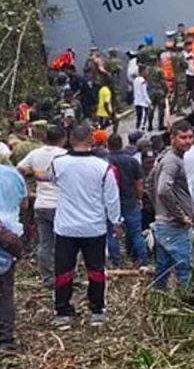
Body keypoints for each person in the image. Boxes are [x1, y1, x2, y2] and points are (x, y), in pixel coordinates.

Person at [50, 125, 122, 327]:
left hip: (66, 227)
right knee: (96, 270)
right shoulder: (103, 167)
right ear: (92, 141)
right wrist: (116, 221)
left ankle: (62, 312)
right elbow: (112, 198)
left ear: (70, 140)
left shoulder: (58, 163)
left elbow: (52, 180)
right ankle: (97, 311)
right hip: (94, 227)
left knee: (64, 270)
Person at [16, 125, 66, 286]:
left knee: (45, 243)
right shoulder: (64, 155)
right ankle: (63, 276)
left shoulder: (35, 154)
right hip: (61, 205)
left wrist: (27, 190)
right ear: (63, 139)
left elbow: (19, 170)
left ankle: (47, 277)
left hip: (41, 204)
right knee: (64, 243)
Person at [151, 120, 194, 298]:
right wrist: (180, 215)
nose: (188, 141)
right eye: (183, 137)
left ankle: (157, 300)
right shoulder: (172, 161)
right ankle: (188, 305)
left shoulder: (166, 157)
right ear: (173, 138)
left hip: (163, 223)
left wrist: (160, 211)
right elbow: (162, 189)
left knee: (163, 265)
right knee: (185, 267)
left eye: (190, 137)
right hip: (174, 226)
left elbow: (149, 184)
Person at [105, 134, 149, 268]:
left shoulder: (104, 162)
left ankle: (116, 261)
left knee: (112, 233)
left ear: (107, 145)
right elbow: (139, 183)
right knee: (136, 232)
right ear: (122, 144)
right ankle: (143, 259)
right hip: (130, 201)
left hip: (111, 203)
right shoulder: (131, 161)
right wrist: (139, 198)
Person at [0, 162, 26, 350]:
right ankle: (5, 338)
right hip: (8, 238)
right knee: (5, 290)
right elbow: (24, 203)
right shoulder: (13, 175)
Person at [132, 66, 151, 131]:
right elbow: (144, 93)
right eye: (146, 71)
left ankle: (137, 130)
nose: (147, 73)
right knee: (143, 120)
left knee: (138, 118)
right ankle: (140, 132)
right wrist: (149, 102)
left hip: (137, 102)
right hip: (143, 103)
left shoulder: (135, 80)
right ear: (143, 72)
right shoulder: (142, 81)